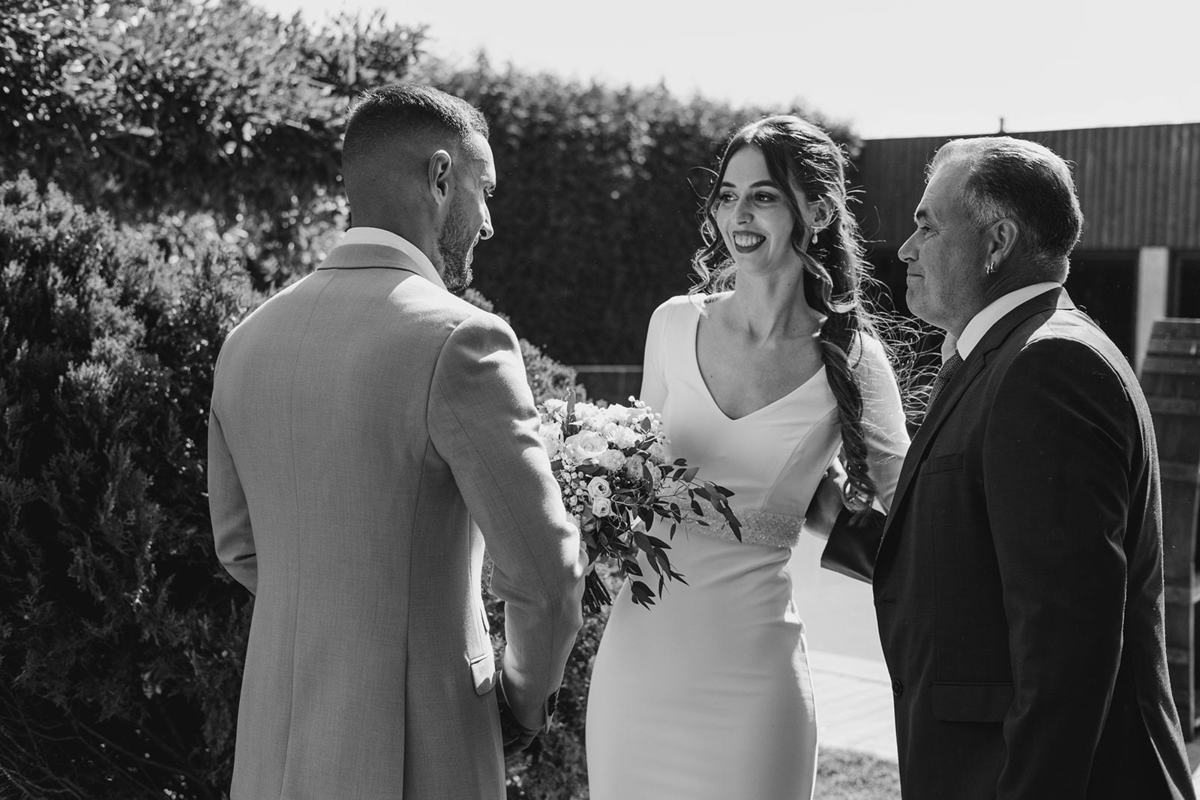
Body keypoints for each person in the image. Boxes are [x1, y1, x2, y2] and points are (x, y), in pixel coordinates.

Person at [206, 84, 586, 800]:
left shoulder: (247, 341)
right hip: (422, 746)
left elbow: (238, 546)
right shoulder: (462, 340)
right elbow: (545, 576)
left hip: (271, 746)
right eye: (484, 190)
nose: (489, 223)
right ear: (441, 176)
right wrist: (522, 702)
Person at [830, 136, 1195, 798]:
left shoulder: (1046, 367)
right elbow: (971, 558)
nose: (905, 249)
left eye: (926, 225)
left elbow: (1067, 651)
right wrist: (833, 517)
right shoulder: (1000, 356)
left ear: (997, 242)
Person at [585, 115, 910, 799]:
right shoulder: (674, 323)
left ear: (817, 211)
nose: (739, 215)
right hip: (637, 665)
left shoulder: (853, 359)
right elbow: (634, 471)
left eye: (763, 196)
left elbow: (915, 509)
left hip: (755, 680)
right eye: (727, 195)